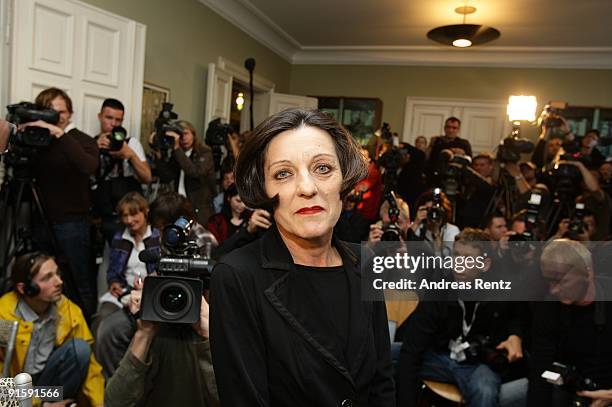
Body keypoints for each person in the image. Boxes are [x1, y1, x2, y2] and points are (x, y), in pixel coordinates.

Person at [209, 108, 395, 406]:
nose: (307, 188)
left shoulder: (367, 263)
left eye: (322, 168)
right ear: (264, 189)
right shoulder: (237, 276)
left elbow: (382, 383)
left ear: (344, 179)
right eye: (283, 174)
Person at [397, 229, 528, 407]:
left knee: (485, 389)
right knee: (383, 353)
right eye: (456, 255)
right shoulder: (439, 288)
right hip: (438, 357)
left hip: (477, 365)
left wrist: (515, 335)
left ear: (485, 264)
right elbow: (412, 349)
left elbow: (517, 316)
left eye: (468, 258)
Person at [25, 87, 99, 319]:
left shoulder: (82, 140)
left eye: (62, 112)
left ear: (70, 113)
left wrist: (59, 134)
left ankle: (85, 329)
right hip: (40, 222)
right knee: (42, 281)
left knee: (78, 280)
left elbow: (88, 166)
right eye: (49, 112)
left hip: (73, 225)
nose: (57, 116)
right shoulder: (37, 141)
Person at [0, 252, 104, 407]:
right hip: (14, 391)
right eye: (47, 278)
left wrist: (99, 404)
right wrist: (40, 405)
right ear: (25, 289)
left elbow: (91, 367)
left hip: (45, 388)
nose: (59, 281)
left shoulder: (67, 309)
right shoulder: (4, 315)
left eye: (57, 273)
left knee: (81, 350)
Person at [103, 278, 219, 407]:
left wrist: (209, 335)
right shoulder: (153, 328)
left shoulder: (218, 327)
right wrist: (144, 333)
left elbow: (233, 399)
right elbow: (115, 403)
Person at [529, 239, 612, 406]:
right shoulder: (549, 307)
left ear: (588, 273)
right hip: (570, 392)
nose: (554, 290)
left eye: (561, 281)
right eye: (549, 282)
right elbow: (540, 372)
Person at [92, 192, 160, 334]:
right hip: (125, 292)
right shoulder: (119, 238)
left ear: (145, 212)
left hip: (151, 292)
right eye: (124, 216)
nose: (129, 220)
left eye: (134, 214)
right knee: (102, 318)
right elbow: (113, 270)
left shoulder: (157, 236)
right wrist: (114, 282)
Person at [92, 98, 152, 242]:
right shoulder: (91, 143)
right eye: (109, 118)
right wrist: (95, 148)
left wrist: (130, 155)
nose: (113, 124)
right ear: (99, 117)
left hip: (130, 213)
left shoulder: (131, 143)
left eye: (118, 120)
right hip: (103, 212)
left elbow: (147, 177)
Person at [151, 120, 215, 225]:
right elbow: (167, 176)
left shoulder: (204, 152)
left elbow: (195, 172)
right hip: (179, 204)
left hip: (199, 207)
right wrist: (158, 155)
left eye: (185, 133)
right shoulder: (177, 153)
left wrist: (177, 149)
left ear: (193, 134)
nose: (183, 138)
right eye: (180, 135)